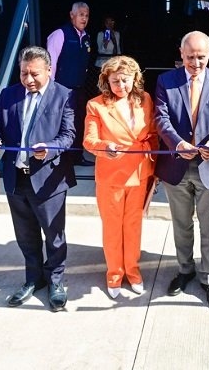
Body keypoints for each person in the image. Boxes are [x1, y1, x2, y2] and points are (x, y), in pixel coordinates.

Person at [0, 46, 75, 312]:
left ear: (49, 70)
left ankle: (55, 281)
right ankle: (34, 279)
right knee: (25, 236)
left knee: (54, 236)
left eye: (35, 74)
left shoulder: (65, 95)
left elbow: (69, 135)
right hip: (16, 178)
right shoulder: (8, 94)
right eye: (24, 73)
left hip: (48, 179)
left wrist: (50, 148)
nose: (29, 79)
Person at [154, 31, 209, 309]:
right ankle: (185, 269)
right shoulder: (166, 81)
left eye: (201, 57)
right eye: (190, 57)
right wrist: (177, 144)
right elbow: (161, 119)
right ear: (181, 53)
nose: (196, 62)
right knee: (181, 224)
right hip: (176, 166)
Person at [83, 55, 157, 298]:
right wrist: (105, 146)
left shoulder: (145, 100)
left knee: (133, 226)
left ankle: (133, 271)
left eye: (125, 80)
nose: (121, 86)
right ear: (106, 81)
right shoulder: (96, 105)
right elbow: (89, 140)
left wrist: (152, 160)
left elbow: (153, 133)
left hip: (139, 173)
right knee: (113, 227)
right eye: (115, 81)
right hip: (111, 175)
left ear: (135, 79)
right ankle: (114, 274)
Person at [47, 1, 92, 166]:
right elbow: (51, 64)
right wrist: (50, 89)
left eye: (86, 15)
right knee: (63, 124)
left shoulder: (86, 37)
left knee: (79, 122)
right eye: (81, 15)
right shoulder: (60, 34)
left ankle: (77, 156)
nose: (84, 18)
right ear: (72, 15)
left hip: (79, 88)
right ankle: (61, 157)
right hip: (61, 89)